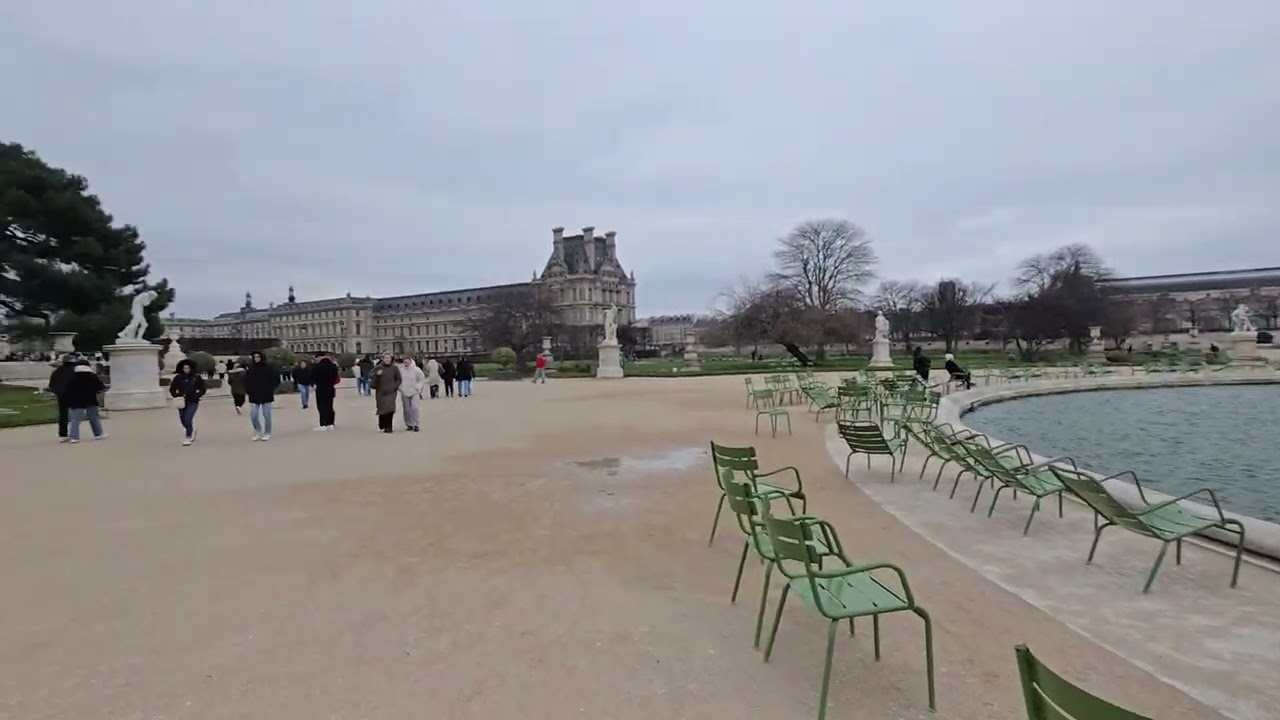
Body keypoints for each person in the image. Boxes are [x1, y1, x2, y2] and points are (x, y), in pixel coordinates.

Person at [65, 360, 108, 443]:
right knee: (94, 417)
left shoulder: (72, 376)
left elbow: (68, 389)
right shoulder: (92, 376)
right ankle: (98, 434)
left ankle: (74, 437)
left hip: (76, 400)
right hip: (90, 399)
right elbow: (100, 387)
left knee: (75, 420)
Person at [168, 358, 207, 445]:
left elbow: (202, 389)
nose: (186, 370)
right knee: (183, 419)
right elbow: (172, 389)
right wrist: (176, 396)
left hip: (193, 401)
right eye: (185, 368)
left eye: (188, 368)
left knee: (188, 418)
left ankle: (188, 436)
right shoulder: (178, 378)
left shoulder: (196, 377)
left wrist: (197, 395)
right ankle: (191, 430)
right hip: (181, 401)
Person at [244, 350, 280, 441]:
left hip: (266, 393)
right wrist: (248, 390)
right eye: (255, 357)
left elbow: (276, 379)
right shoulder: (251, 368)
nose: (256, 359)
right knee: (253, 415)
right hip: (254, 394)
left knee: (267, 415)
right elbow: (246, 380)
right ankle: (258, 431)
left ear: (262, 357)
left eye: (258, 357)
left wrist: (271, 388)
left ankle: (267, 433)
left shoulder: (268, 367)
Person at [47, 354, 78, 443]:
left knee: (63, 414)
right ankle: (74, 434)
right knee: (75, 414)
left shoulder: (56, 372)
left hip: (61, 395)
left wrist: (57, 391)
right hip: (73, 394)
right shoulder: (75, 371)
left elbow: (51, 385)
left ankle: (63, 433)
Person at [372, 352, 402, 432]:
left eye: (389, 358)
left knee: (390, 409)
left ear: (391, 359)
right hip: (381, 392)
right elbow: (372, 379)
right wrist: (377, 375)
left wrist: (394, 386)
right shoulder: (378, 367)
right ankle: (383, 425)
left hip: (391, 392)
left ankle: (389, 426)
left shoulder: (395, 368)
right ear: (383, 359)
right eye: (386, 358)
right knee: (382, 409)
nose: (387, 359)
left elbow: (399, 379)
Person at [311, 352, 341, 431]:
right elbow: (336, 378)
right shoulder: (333, 366)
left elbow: (312, 377)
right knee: (329, 406)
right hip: (330, 388)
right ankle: (330, 423)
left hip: (321, 388)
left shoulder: (316, 367)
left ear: (319, 357)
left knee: (321, 406)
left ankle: (323, 423)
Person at [399, 356, 426, 431]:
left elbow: (421, 379)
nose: (406, 363)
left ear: (410, 361)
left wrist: (418, 387)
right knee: (406, 409)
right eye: (404, 362)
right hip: (404, 391)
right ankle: (409, 424)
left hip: (414, 391)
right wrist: (400, 387)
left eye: (407, 362)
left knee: (415, 408)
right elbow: (398, 379)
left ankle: (416, 424)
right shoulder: (401, 370)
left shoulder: (416, 370)